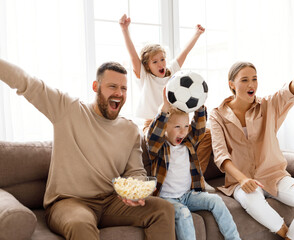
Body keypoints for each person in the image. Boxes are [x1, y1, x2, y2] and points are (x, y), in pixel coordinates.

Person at [0, 59, 176, 240]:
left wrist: (135, 191)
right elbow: (26, 82)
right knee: (80, 224)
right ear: (95, 86)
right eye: (112, 86)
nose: (119, 93)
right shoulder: (68, 109)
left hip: (110, 202)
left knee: (163, 209)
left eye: (123, 89)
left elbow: (136, 171)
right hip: (69, 202)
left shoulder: (130, 130)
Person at [209, 29, 294, 240]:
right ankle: (288, 235)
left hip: (275, 176)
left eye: (254, 79)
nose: (251, 84)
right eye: (244, 80)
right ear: (231, 84)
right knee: (253, 202)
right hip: (242, 181)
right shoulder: (217, 115)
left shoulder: (269, 106)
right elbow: (220, 155)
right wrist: (243, 180)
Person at [119, 13, 213, 181]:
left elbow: (184, 53)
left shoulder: (172, 75)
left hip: (176, 123)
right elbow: (133, 55)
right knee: (159, 143)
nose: (161, 64)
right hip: (153, 124)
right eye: (155, 62)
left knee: (206, 135)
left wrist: (197, 34)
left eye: (162, 59)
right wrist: (125, 30)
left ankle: (200, 177)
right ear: (147, 66)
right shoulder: (145, 77)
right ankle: (163, 182)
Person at [146, 88, 241, 240]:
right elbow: (153, 135)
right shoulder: (159, 148)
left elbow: (199, 128)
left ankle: (234, 238)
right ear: (165, 128)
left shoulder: (188, 144)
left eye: (185, 127)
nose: (182, 132)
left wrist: (199, 104)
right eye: (177, 127)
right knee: (184, 214)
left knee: (216, 200)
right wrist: (164, 109)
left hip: (188, 195)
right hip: (167, 199)